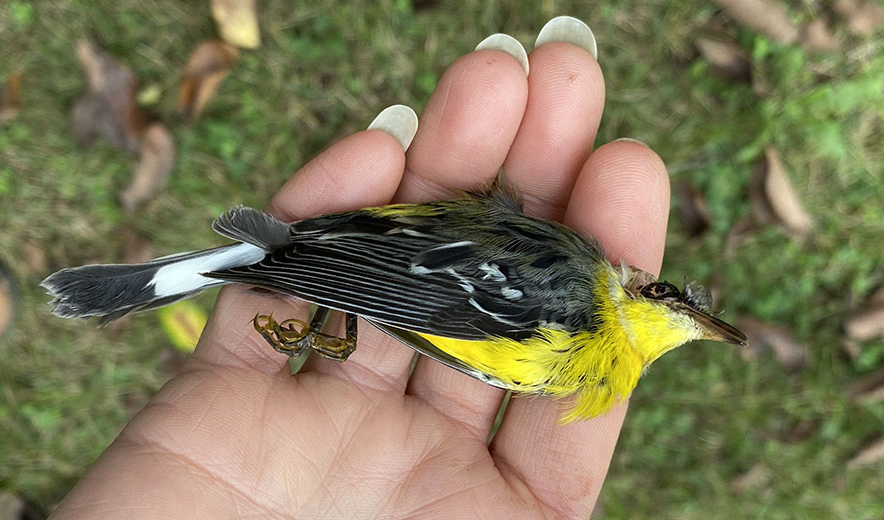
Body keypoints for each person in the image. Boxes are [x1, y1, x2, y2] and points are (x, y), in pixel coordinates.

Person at [51, 17, 670, 519]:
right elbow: (414, 287)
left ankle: (212, 274)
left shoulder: (579, 351)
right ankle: (220, 273)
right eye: (669, 296)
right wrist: (311, 271)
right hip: (372, 258)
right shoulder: (573, 307)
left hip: (379, 261)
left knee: (287, 274)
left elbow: (419, 301)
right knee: (284, 270)